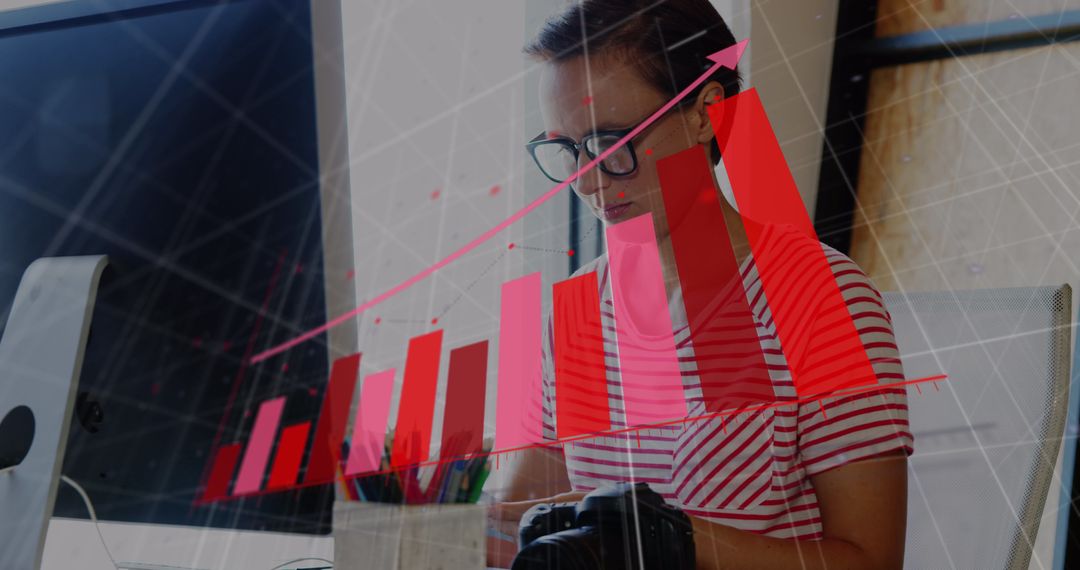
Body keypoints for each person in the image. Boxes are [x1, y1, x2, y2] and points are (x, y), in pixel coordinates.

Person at [487, 1, 912, 568]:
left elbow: (871, 560)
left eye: (613, 142)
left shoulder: (818, 300)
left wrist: (680, 540)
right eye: (566, 148)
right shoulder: (583, 305)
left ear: (706, 112)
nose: (587, 179)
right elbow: (512, 522)